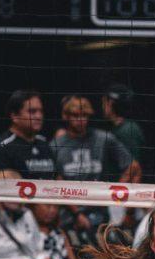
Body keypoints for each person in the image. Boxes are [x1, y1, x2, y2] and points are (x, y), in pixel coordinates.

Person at [52, 95, 141, 235]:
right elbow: (56, 181)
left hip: (102, 213)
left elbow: (134, 167)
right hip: (70, 217)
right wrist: (76, 214)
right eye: (75, 115)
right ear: (66, 116)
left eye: (85, 115)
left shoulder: (103, 138)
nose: (81, 120)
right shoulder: (56, 145)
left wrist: (117, 197)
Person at [0, 90, 55, 179]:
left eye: (41, 111)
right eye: (32, 111)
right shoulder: (0, 148)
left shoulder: (44, 144)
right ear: (15, 116)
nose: (39, 116)